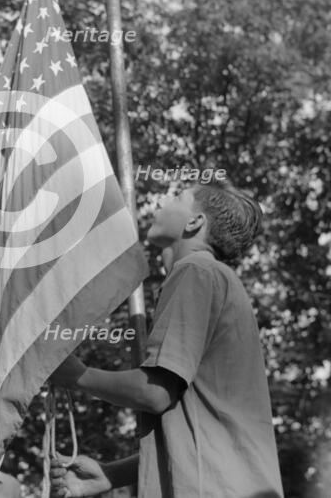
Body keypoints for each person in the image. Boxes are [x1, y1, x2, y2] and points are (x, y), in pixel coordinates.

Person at [49, 180, 284, 497]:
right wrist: (110, 475)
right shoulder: (211, 277)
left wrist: (76, 375)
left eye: (177, 196)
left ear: (195, 222)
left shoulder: (195, 272)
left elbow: (155, 394)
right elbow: (194, 434)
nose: (162, 200)